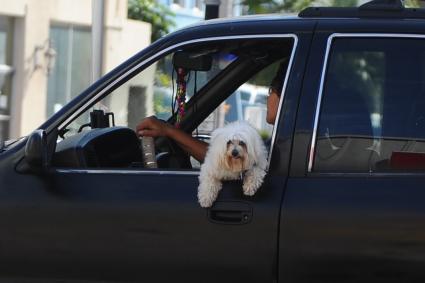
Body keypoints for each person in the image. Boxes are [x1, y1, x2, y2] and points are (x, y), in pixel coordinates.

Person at [136, 61, 286, 163]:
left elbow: (220, 161)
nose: (268, 96)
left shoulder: (284, 146)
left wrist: (168, 130)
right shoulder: (281, 142)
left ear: (286, 94)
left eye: (271, 89)